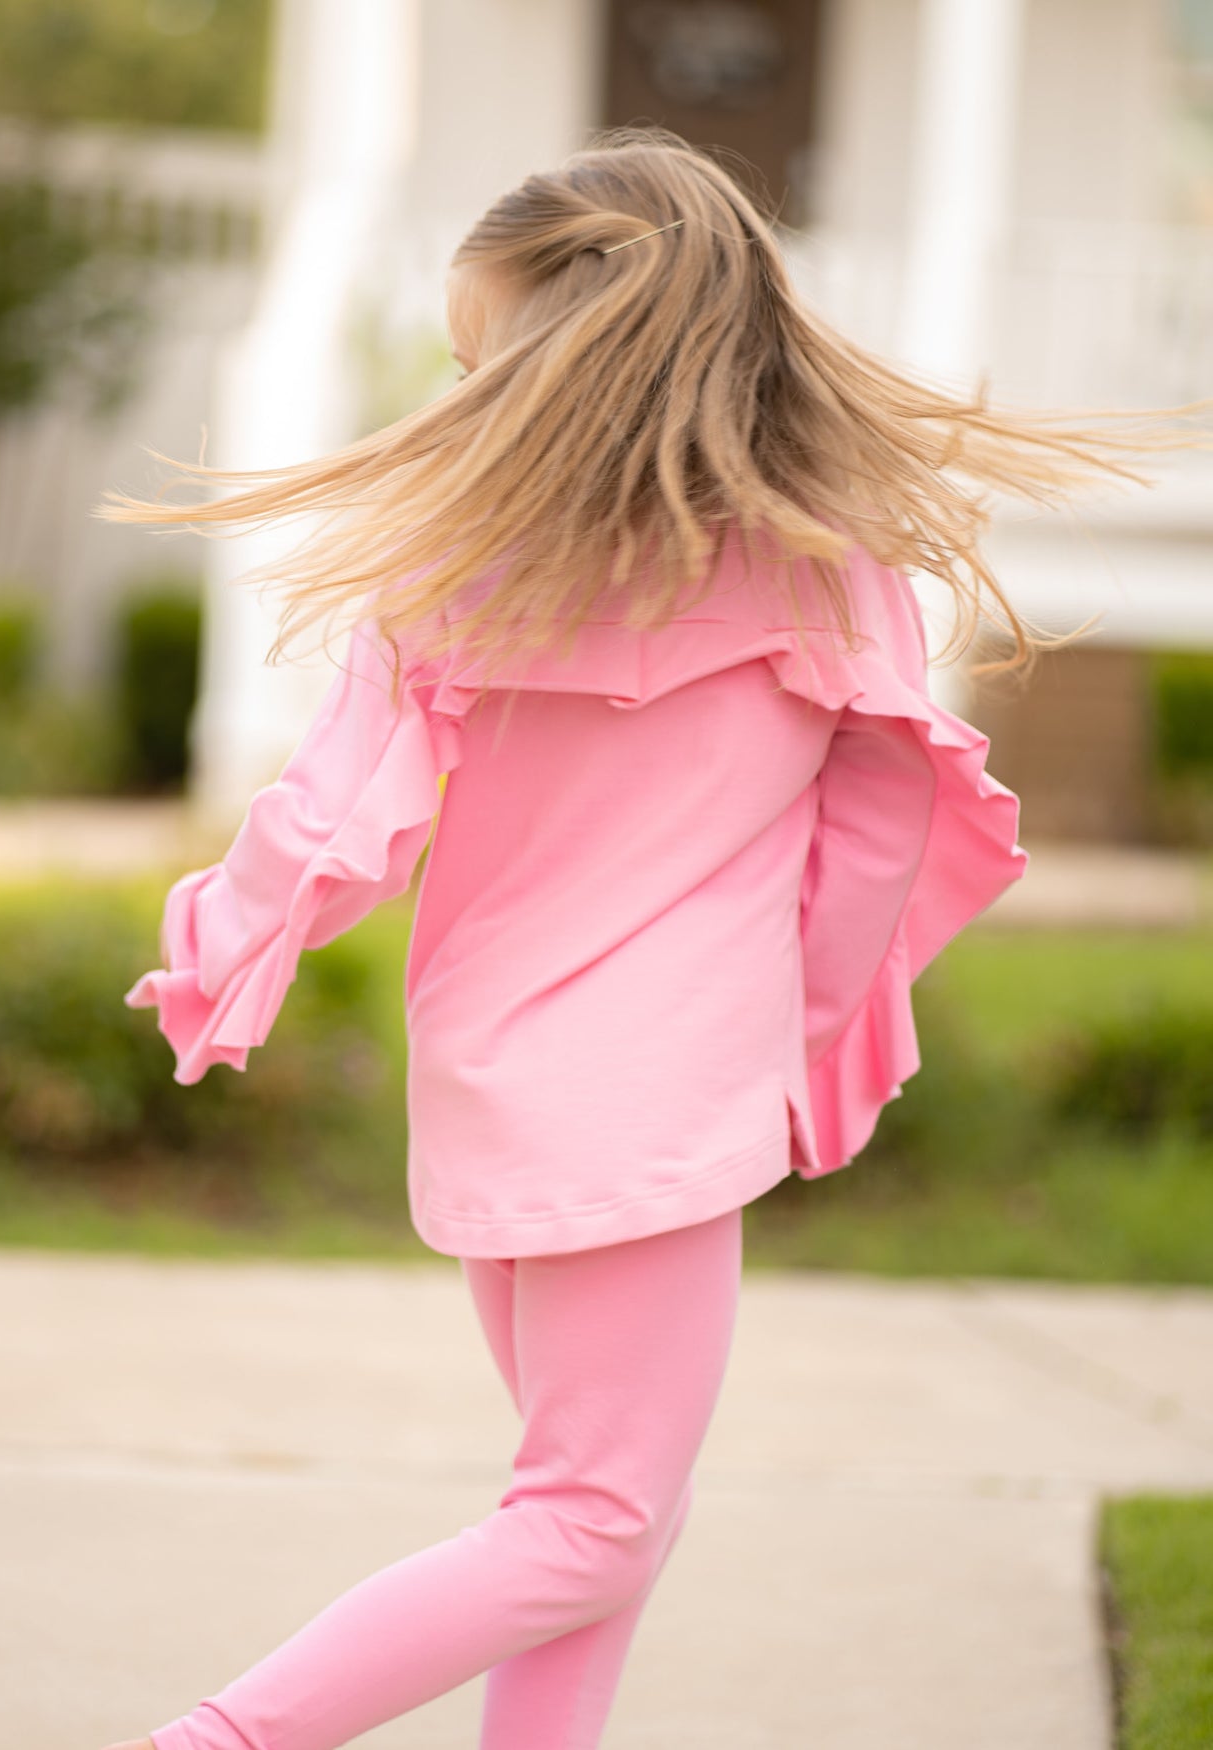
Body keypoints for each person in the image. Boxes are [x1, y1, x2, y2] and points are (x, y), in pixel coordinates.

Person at [99, 127, 1201, 1750]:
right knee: (595, 1520)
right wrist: (812, 1046)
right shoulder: (830, 583)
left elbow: (335, 819)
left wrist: (220, 951)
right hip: (657, 1107)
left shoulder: (457, 581)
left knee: (596, 1515)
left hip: (494, 1090)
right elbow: (873, 850)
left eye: (485, 370)